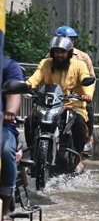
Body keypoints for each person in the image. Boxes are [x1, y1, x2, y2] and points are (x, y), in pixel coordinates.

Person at [26, 36, 93, 174]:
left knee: (79, 122)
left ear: (69, 52)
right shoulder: (46, 64)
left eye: (62, 52)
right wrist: (26, 86)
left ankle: (79, 158)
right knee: (29, 120)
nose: (59, 55)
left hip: (72, 105)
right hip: (49, 103)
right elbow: (36, 77)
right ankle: (33, 154)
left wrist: (87, 94)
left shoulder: (80, 65)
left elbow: (88, 81)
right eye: (56, 51)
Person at [52, 26, 96, 156]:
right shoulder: (51, 56)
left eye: (72, 39)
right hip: (56, 99)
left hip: (77, 98)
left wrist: (87, 94)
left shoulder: (83, 57)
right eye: (66, 39)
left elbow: (91, 79)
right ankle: (35, 155)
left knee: (86, 112)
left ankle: (86, 142)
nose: (70, 41)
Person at [1, 56, 24, 221]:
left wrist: (10, 111)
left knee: (6, 149)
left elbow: (14, 94)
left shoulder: (9, 65)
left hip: (3, 126)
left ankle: (4, 210)